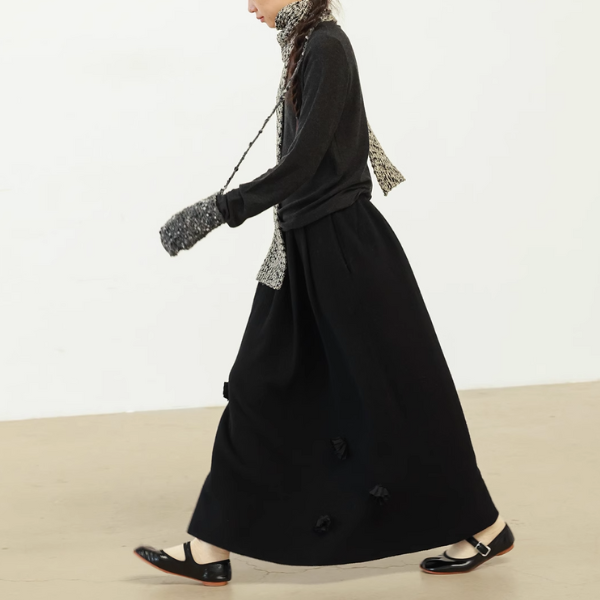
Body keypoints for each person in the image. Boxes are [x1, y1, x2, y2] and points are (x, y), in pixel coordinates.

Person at [133, 0, 515, 586]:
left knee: (402, 393)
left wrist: (218, 210)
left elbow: (304, 163)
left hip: (343, 251)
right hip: (300, 251)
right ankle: (209, 547)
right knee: (257, 386)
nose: (249, 5)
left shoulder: (326, 48)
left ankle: (484, 526)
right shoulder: (306, 45)